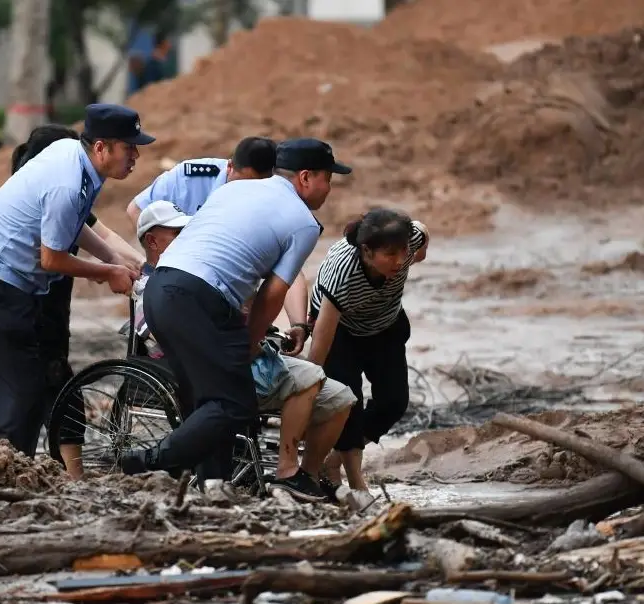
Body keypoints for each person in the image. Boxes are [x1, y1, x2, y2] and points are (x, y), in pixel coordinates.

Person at [116, 138, 352, 504]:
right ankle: (150, 464)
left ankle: (214, 484)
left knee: (204, 398)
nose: (329, 189)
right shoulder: (304, 222)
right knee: (234, 402)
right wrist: (251, 343)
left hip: (162, 289)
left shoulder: (235, 190)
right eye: (327, 179)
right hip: (199, 298)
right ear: (305, 178)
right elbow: (272, 294)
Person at [0, 124, 145, 480]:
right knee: (22, 395)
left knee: (17, 388)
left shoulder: (79, 168)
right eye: (130, 148)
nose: (136, 157)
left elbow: (80, 225)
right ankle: (10, 483)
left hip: (9, 285)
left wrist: (114, 259)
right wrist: (106, 271)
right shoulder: (66, 181)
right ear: (101, 148)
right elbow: (52, 261)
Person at [126, 136, 312, 357]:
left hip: (226, 297)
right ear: (230, 166)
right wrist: (162, 266)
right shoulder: (191, 177)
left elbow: (288, 269)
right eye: (242, 182)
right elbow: (137, 210)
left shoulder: (268, 201)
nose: (247, 192)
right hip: (175, 285)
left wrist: (298, 323)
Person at [307, 208, 430, 493]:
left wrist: (417, 252)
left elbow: (421, 230)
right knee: (347, 403)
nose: (400, 261)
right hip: (340, 329)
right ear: (366, 250)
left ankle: (333, 460)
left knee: (394, 402)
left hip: (384, 324)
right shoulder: (343, 272)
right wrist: (310, 378)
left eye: (403, 252)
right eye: (390, 255)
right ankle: (356, 483)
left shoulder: (410, 241)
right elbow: (324, 333)